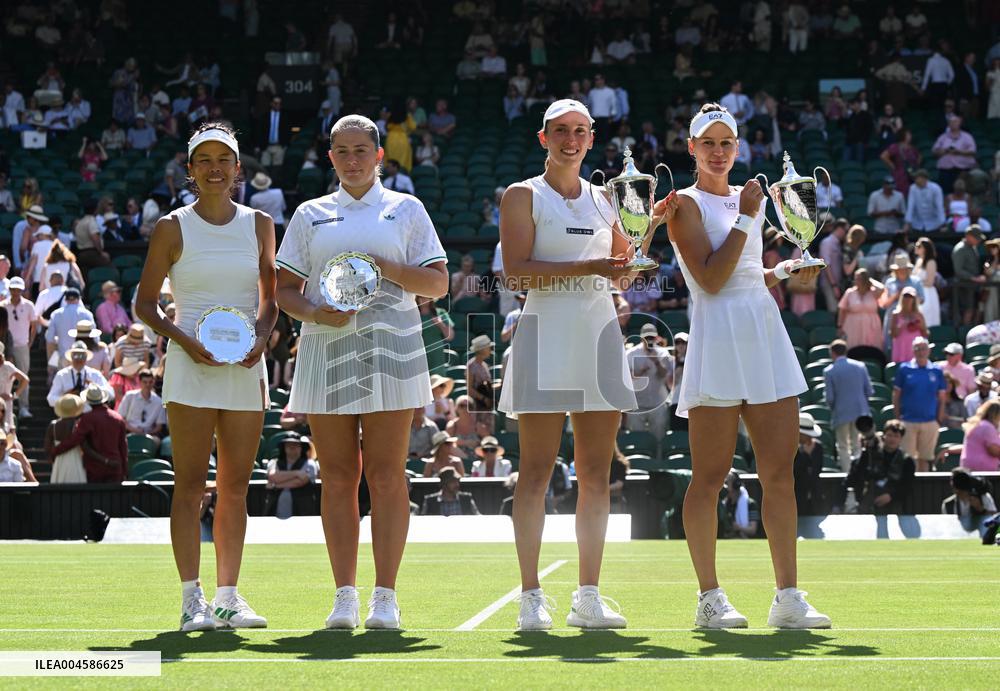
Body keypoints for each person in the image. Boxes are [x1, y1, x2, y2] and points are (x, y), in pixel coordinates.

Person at [274, 114, 448, 631]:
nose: (352, 160)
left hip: (393, 350)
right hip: (325, 350)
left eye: (361, 151)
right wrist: (314, 313)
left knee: (388, 475)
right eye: (342, 152)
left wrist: (386, 268)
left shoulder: (407, 209)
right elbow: (284, 291)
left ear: (379, 156)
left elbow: (437, 284)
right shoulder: (308, 214)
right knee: (337, 477)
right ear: (331, 158)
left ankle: (385, 596)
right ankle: (344, 596)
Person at [665, 103, 829, 628]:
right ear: (692, 148)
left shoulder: (748, 199)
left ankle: (788, 597)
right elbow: (712, 281)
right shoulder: (683, 206)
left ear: (737, 148)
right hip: (716, 337)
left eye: (726, 143)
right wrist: (744, 216)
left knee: (779, 473)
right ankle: (709, 598)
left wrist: (783, 270)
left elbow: (746, 274)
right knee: (709, 476)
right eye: (708, 143)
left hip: (762, 330)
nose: (718, 152)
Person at [498, 99, 647, 631]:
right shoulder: (522, 195)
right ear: (544, 138)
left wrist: (648, 229)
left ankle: (588, 596)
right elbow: (516, 274)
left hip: (598, 335)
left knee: (595, 475)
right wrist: (590, 266)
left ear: (591, 138)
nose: (570, 139)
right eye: (560, 130)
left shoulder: (609, 200)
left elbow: (623, 275)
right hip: (543, 334)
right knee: (535, 473)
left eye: (580, 131)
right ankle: (530, 596)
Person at [134, 122, 277, 632]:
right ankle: (191, 599)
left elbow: (270, 301)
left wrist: (261, 338)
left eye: (224, 160)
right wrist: (186, 340)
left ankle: (228, 598)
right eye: (205, 160)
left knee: (235, 487)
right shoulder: (171, 227)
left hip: (245, 368)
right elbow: (145, 305)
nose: (215, 169)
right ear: (191, 169)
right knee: (190, 485)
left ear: (238, 168)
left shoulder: (261, 224)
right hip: (189, 367)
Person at [51, 385, 128, 483]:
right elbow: (123, 446)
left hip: (95, 469)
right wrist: (124, 469)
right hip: (115, 467)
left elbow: (76, 439)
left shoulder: (87, 419)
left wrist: (56, 450)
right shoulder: (118, 418)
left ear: (88, 401)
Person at [893, 337, 946, 472]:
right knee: (908, 459)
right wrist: (898, 417)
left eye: (923, 349)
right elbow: (896, 394)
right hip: (908, 421)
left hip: (930, 421)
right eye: (917, 349)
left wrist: (938, 419)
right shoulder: (904, 369)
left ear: (929, 350)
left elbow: (942, 397)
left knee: (925, 459)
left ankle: (924, 485)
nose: (921, 352)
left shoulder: (937, 370)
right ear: (913, 351)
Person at [843, 419, 913, 515]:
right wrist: (866, 451)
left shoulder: (907, 460)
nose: (892, 439)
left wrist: (890, 496)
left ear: (901, 439)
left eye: (896, 436)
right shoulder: (873, 454)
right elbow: (857, 474)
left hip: (894, 503)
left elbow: (907, 486)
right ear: (884, 436)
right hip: (870, 501)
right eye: (889, 435)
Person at [824, 340, 873, 470]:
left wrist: (834, 408)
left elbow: (829, 398)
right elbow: (869, 391)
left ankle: (847, 473)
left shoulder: (830, 371)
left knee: (843, 445)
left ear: (832, 353)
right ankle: (859, 472)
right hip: (860, 412)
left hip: (841, 413)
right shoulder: (860, 366)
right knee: (858, 444)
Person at [624, 323, 673, 440]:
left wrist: (656, 361)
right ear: (641, 338)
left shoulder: (663, 353)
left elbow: (665, 375)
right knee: (637, 437)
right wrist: (640, 372)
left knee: (660, 437)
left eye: (651, 337)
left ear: (656, 338)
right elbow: (626, 378)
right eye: (647, 337)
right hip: (637, 404)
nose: (649, 340)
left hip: (658, 403)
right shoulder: (631, 353)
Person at [2, 277, 37, 419]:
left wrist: (29, 343)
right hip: (4, 347)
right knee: (5, 376)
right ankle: (4, 407)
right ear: (10, 290)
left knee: (23, 376)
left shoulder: (29, 306)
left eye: (18, 290)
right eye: (13, 289)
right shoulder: (2, 305)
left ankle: (23, 407)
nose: (16, 292)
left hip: (22, 346)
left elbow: (34, 326)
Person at [264, 433, 319, 518]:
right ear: (284, 447)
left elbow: (299, 482)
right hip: (275, 514)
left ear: (302, 447)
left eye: (296, 444)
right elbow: (272, 476)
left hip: (303, 514)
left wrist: (275, 485)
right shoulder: (274, 462)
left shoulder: (310, 464)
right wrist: (297, 473)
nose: (292, 447)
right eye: (288, 444)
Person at [942, 467, 998, 537]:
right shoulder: (948, 504)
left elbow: (995, 519)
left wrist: (981, 509)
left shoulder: (984, 497)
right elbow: (948, 527)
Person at [44, 393, 87, 483]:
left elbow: (47, 448)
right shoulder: (79, 425)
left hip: (59, 462)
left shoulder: (53, 425)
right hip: (76, 462)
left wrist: (53, 460)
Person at [837, 269, 884, 351]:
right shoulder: (850, 292)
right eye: (856, 278)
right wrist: (840, 326)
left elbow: (882, 288)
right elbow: (842, 309)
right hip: (853, 326)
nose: (856, 281)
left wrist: (870, 280)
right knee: (853, 349)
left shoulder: (874, 292)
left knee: (871, 350)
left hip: (871, 326)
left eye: (859, 279)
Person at [117, 368, 166, 439]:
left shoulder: (159, 401)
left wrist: (147, 434)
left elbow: (159, 426)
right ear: (139, 382)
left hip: (150, 435)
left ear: (153, 382)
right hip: (129, 432)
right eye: (145, 382)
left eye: (150, 382)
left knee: (157, 441)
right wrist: (134, 430)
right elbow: (121, 418)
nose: (148, 385)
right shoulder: (129, 396)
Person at [793, 413, 824, 515]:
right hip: (797, 496)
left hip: (815, 496)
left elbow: (817, 470)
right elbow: (795, 471)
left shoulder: (818, 447)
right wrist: (805, 455)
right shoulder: (791, 449)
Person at [960, 400, 1000, 472]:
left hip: (967, 466)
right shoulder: (988, 427)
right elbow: (993, 451)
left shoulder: (975, 425)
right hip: (983, 468)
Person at [890, 287, 928, 363]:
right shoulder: (895, 314)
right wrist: (903, 324)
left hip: (915, 349)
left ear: (914, 299)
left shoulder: (919, 315)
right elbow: (893, 334)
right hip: (901, 347)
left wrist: (920, 326)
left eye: (910, 297)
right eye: (905, 296)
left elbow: (925, 334)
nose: (908, 299)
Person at [0, 342, 29, 432]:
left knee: (7, 430)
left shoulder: (7, 367)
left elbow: (25, 380)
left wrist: (14, 396)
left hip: (5, 404)